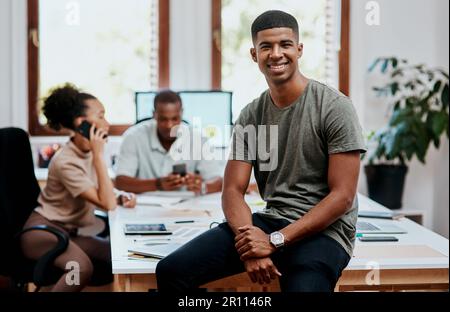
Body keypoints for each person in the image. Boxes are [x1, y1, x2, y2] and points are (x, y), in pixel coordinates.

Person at [155, 10, 366, 292]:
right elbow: (232, 189)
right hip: (269, 221)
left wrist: (274, 240)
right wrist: (249, 243)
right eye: (266, 46)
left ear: (299, 50)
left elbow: (342, 196)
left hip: (324, 233)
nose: (276, 54)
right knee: (171, 271)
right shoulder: (251, 114)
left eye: (285, 45)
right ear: (254, 54)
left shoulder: (334, 107)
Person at [20, 84, 136, 292]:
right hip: (43, 233)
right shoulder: (66, 161)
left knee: (120, 255)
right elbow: (106, 203)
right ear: (82, 123)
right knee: (80, 268)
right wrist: (100, 156)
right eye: (101, 116)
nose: (107, 124)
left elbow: (103, 192)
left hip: (70, 233)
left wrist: (120, 195)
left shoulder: (87, 153)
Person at [115, 90, 223, 195]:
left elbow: (219, 182)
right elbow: (120, 182)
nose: (169, 125)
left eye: (175, 119)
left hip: (187, 207)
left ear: (182, 113)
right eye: (163, 119)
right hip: (144, 207)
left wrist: (202, 186)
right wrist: (157, 184)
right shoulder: (133, 137)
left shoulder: (198, 139)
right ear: (154, 114)